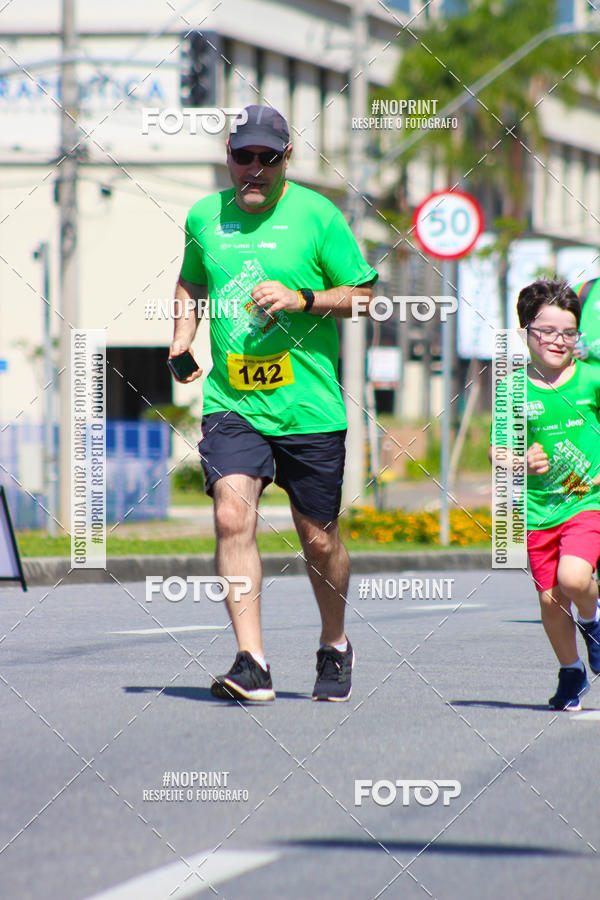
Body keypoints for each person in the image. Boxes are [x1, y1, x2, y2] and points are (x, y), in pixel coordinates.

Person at [169, 105, 377, 703]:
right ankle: (251, 662)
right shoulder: (205, 215)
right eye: (244, 156)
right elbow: (191, 282)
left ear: (289, 158)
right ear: (228, 157)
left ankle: (335, 642)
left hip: (309, 409)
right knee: (232, 515)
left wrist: (303, 297)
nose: (255, 169)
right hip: (233, 401)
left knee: (319, 539)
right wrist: (181, 336)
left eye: (269, 158)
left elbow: (364, 297)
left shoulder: (318, 215)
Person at [490, 279, 600, 710]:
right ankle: (571, 673)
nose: (558, 341)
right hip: (538, 511)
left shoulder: (591, 379)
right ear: (524, 333)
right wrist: (521, 461)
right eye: (547, 331)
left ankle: (592, 622)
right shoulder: (512, 388)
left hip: (586, 501)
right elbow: (498, 449)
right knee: (550, 598)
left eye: (568, 332)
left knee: (573, 580)